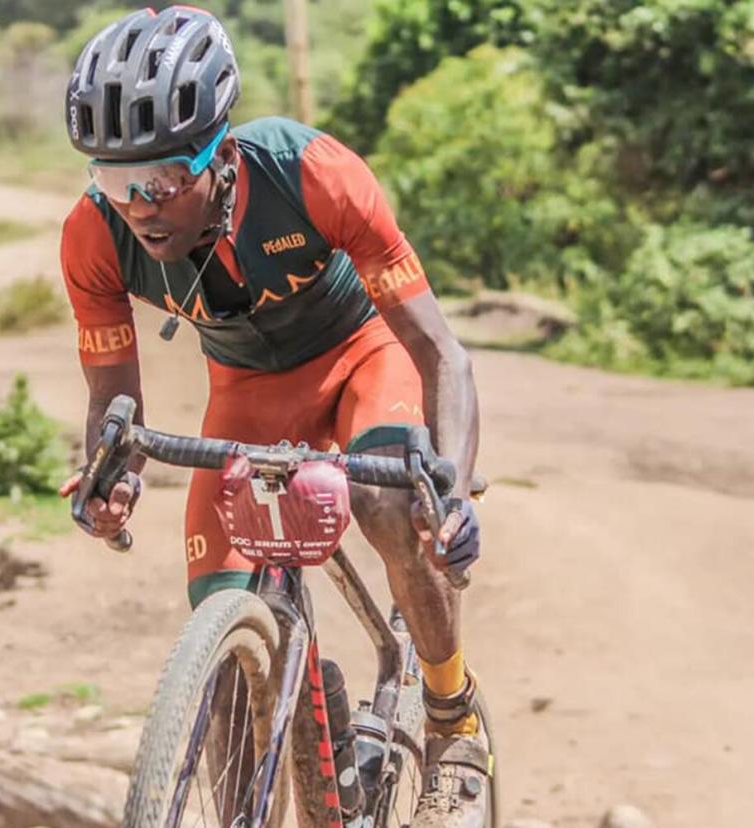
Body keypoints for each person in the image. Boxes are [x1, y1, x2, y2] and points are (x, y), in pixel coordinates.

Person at [57, 7, 485, 826]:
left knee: (388, 505)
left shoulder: (309, 171)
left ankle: (449, 712)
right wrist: (111, 479)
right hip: (251, 391)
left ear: (219, 156)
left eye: (164, 179)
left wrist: (453, 494)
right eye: (116, 181)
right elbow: (114, 400)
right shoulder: (93, 235)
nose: (141, 205)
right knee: (217, 620)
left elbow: (442, 355)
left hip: (366, 355)